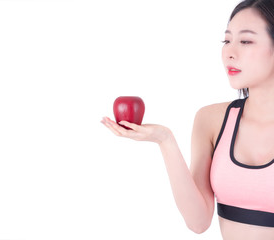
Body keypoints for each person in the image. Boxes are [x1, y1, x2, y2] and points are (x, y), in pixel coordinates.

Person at [101, 0, 274, 239]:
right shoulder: (212, 120)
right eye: (226, 40)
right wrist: (165, 140)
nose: (229, 52)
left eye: (245, 41)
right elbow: (198, 221)